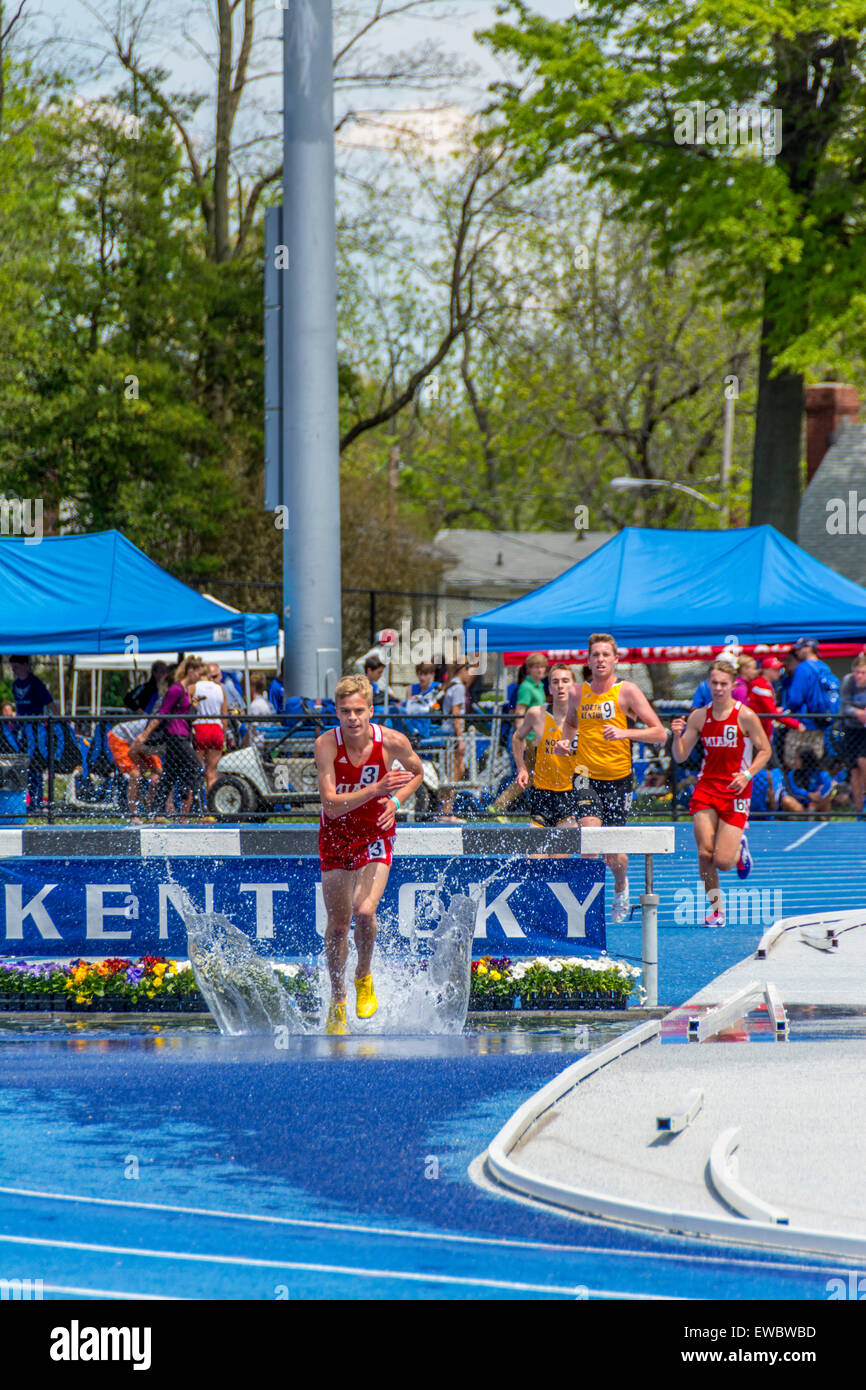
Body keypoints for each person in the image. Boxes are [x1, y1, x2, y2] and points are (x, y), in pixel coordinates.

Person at [315, 673, 423, 1035]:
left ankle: (363, 974)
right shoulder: (326, 745)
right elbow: (330, 806)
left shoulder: (392, 742)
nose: (353, 718)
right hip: (336, 835)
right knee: (338, 925)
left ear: (371, 710)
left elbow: (418, 772)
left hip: (375, 832)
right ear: (337, 712)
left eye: (359, 711)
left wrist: (394, 800)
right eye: (345, 711)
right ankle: (338, 998)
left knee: (365, 911)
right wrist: (376, 787)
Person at [553, 633, 666, 922]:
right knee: (589, 841)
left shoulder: (627, 691)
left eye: (606, 655)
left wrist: (626, 732)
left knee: (615, 855)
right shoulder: (578, 692)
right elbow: (569, 722)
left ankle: (620, 885)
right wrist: (565, 743)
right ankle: (587, 911)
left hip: (618, 779)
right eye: (595, 655)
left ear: (616, 659)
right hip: (585, 776)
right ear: (588, 660)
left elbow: (659, 732)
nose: (600, 659)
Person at [671, 657, 771, 928]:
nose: (717, 688)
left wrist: (747, 774)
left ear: (732, 685)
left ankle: (738, 848)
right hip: (706, 787)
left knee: (724, 862)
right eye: (713, 683)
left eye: (723, 684)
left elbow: (766, 751)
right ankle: (717, 910)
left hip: (736, 789)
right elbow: (681, 757)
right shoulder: (699, 716)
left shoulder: (745, 715)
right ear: (708, 683)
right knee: (704, 853)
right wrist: (677, 736)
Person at [512, 664, 584, 848]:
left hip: (571, 794)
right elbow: (517, 737)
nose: (560, 686)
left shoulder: (585, 717)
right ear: (549, 687)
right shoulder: (537, 714)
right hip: (542, 793)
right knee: (535, 858)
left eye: (565, 681)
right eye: (555, 682)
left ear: (574, 686)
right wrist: (522, 768)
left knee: (561, 861)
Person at [133, 656, 204, 819]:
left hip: (183, 735)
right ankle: (201, 812)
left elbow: (187, 718)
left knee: (169, 776)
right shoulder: (176, 689)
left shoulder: (185, 692)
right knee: (195, 770)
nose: (199, 678)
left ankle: (157, 812)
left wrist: (193, 707)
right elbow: (162, 714)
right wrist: (144, 736)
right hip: (176, 737)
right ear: (190, 671)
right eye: (198, 674)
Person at [9, 655, 57, 811]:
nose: (13, 670)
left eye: (16, 666)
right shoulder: (16, 684)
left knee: (35, 765)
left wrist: (57, 723)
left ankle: (37, 801)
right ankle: (29, 800)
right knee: (24, 765)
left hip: (36, 731)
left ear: (24, 665)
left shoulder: (35, 683)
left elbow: (50, 703)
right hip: (21, 730)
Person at [781, 637, 838, 766]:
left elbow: (796, 698)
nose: (797, 652)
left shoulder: (803, 668)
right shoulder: (824, 666)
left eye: (799, 649)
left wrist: (786, 712)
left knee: (793, 760)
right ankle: (816, 785)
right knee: (814, 762)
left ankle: (796, 786)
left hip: (804, 721)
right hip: (820, 721)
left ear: (808, 648)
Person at [437, 658, 479, 822]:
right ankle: (446, 812)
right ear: (463, 670)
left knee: (455, 771)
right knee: (454, 773)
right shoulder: (459, 687)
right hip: (452, 735)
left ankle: (446, 809)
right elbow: (456, 714)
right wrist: (461, 739)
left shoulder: (451, 685)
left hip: (447, 734)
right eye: (469, 670)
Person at [107, 716, 162, 821]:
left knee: (159, 773)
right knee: (136, 775)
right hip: (120, 738)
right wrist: (147, 772)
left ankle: (153, 812)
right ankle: (134, 815)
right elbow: (133, 752)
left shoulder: (172, 733)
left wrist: (153, 773)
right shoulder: (154, 732)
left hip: (140, 744)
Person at [192, 668, 229, 791]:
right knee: (212, 773)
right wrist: (224, 735)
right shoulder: (220, 689)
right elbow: (224, 717)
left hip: (199, 727)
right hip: (215, 728)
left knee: (194, 772)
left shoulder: (193, 687)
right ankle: (211, 807)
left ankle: (188, 808)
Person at [840, 653, 866, 814]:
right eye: (857, 672)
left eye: (863, 673)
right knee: (854, 770)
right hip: (852, 728)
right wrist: (858, 713)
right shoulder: (848, 681)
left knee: (863, 761)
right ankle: (859, 810)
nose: (859, 676)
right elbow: (845, 705)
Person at [778, 749, 836, 816]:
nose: (794, 761)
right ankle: (806, 814)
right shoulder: (792, 773)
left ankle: (816, 813)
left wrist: (820, 792)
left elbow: (828, 785)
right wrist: (808, 794)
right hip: (800, 802)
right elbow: (793, 789)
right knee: (786, 800)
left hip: (816, 801)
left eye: (797, 759)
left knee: (830, 789)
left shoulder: (820, 772)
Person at [248, 675, 275, 748]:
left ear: (253, 687)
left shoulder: (254, 705)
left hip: (258, 743)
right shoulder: (269, 704)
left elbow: (253, 728)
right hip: (269, 741)